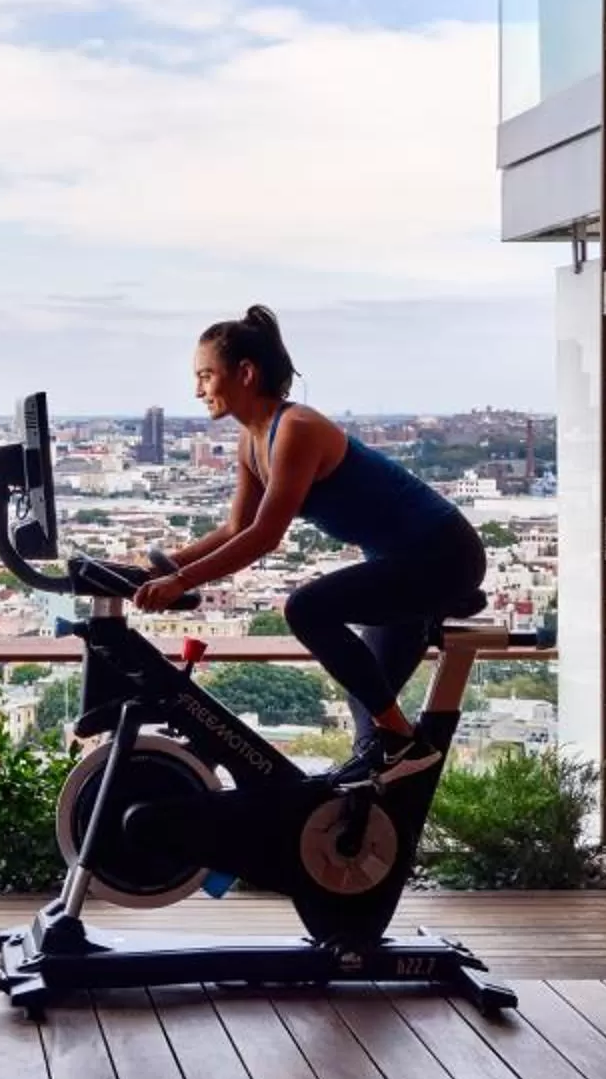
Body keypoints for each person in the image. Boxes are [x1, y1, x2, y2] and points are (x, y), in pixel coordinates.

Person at [131, 305, 485, 786]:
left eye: (206, 376)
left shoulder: (295, 428)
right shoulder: (250, 441)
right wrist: (163, 569)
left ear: (246, 374)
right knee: (366, 700)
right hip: (399, 562)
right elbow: (236, 527)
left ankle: (409, 743)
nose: (198, 390)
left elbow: (264, 536)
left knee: (307, 610)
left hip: (442, 556)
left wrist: (181, 581)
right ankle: (383, 799)